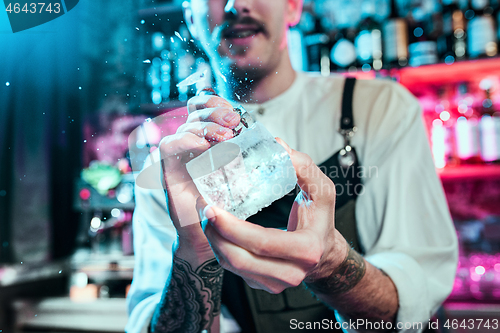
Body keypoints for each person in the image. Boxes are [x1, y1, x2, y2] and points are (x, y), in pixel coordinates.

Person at [126, 0, 458, 332]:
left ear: (293, 8)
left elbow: (414, 296)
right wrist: (193, 244)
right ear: (190, 17)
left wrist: (331, 262)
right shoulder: (173, 165)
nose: (235, 4)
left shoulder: (382, 109)